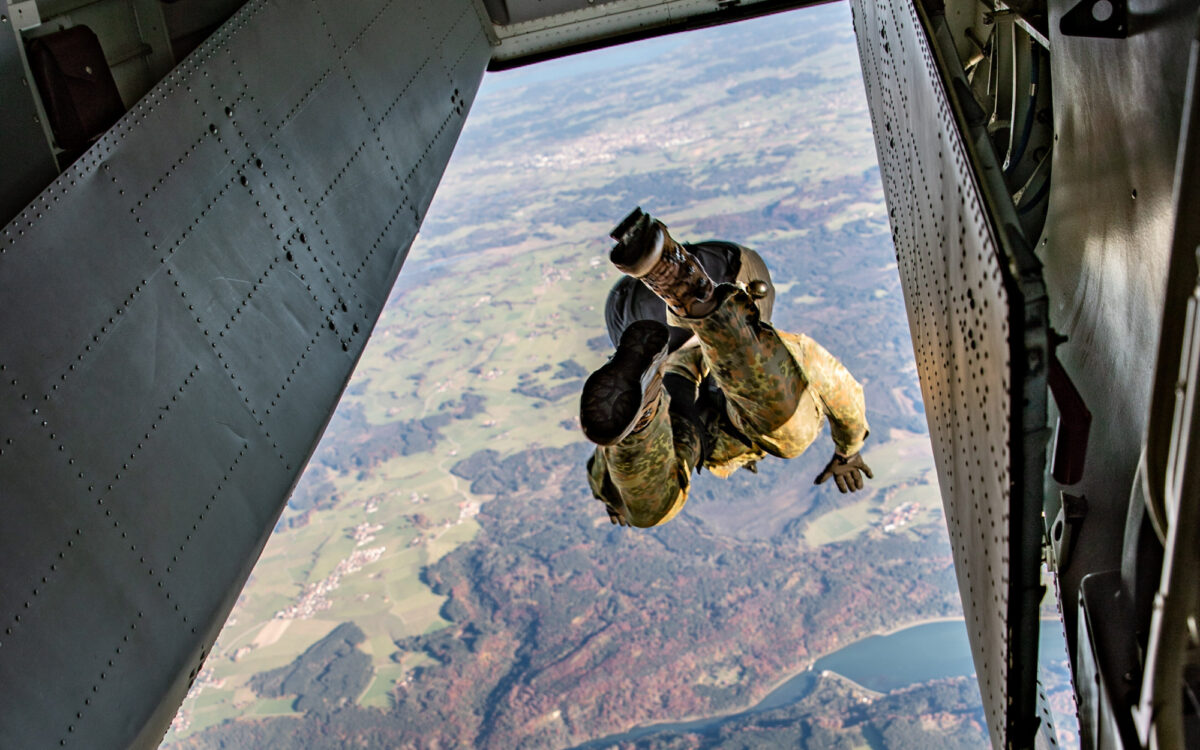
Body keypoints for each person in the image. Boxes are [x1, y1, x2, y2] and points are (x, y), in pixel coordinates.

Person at [580, 208, 873, 527]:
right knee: (792, 435)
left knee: (652, 507)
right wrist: (849, 448)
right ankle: (702, 307)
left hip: (646, 329)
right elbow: (833, 384)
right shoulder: (773, 355)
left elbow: (606, 456)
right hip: (727, 277)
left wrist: (623, 493)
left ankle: (656, 390)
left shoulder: (759, 360)